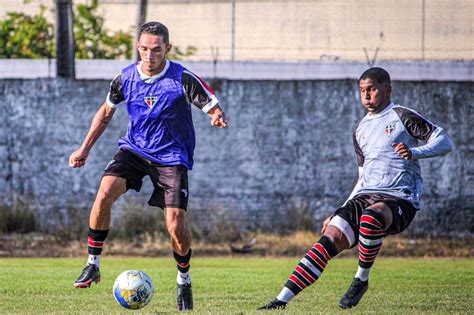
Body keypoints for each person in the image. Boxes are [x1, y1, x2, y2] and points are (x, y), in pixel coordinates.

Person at [258, 67, 453, 310]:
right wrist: (338, 211)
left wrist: (414, 153)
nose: (366, 95)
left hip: (398, 198)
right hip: (365, 195)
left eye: (371, 89)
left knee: (372, 217)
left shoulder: (402, 116)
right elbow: (362, 178)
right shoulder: (360, 130)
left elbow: (444, 141)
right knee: (328, 239)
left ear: (387, 89)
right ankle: (280, 301)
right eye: (362, 90)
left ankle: (361, 278)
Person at [69, 21, 227, 311]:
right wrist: (84, 149)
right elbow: (105, 114)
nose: (149, 55)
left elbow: (211, 104)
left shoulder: (182, 78)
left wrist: (216, 116)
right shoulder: (125, 78)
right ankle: (92, 263)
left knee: (175, 225)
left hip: (171, 157)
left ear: (167, 48)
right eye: (144, 49)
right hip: (134, 149)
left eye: (156, 50)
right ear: (138, 48)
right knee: (103, 193)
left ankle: (184, 279)